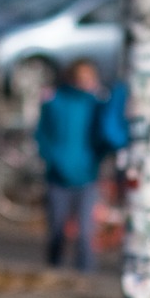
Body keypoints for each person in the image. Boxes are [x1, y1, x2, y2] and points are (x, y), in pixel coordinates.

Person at [35, 58, 106, 270]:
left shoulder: (97, 104)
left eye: (89, 78)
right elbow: (42, 134)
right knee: (57, 231)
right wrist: (51, 159)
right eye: (81, 77)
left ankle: (86, 278)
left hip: (88, 177)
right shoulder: (55, 101)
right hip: (57, 176)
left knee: (85, 233)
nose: (85, 82)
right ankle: (54, 270)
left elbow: (106, 134)